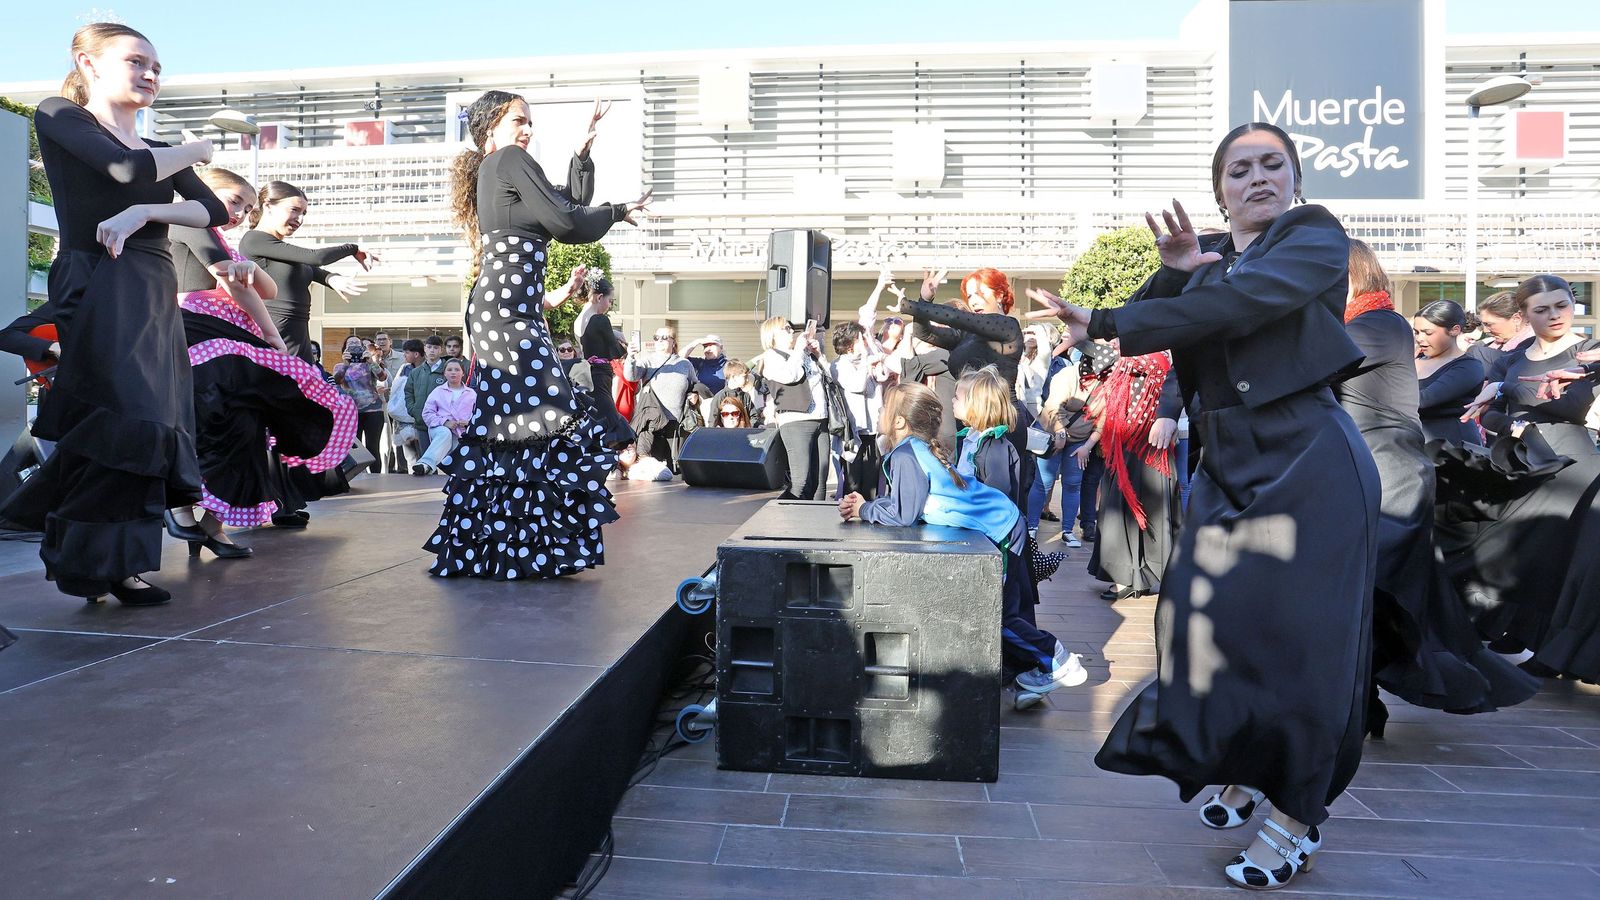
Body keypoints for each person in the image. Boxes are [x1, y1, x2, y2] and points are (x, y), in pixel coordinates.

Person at [1031, 122, 1379, 891]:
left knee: (1309, 651)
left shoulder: (1312, 236)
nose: (1257, 178)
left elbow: (1241, 305)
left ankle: (1298, 815)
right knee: (1198, 621)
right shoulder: (1213, 260)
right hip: (1230, 465)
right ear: (1220, 188)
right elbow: (1194, 312)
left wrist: (1118, 318)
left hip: (1309, 460)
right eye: (1239, 169)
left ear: (1294, 180)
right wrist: (1177, 270)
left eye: (1272, 165)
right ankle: (1250, 760)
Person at [0, 24, 229, 605]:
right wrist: (199, 150)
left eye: (157, 65)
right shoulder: (60, 114)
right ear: (89, 63)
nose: (151, 73)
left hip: (152, 285)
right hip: (98, 281)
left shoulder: (154, 148)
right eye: (137, 61)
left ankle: (116, 565)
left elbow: (213, 209)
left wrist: (143, 215)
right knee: (119, 420)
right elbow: (124, 169)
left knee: (152, 426)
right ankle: (80, 555)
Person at [426, 91, 646, 579]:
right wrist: (616, 211)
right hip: (506, 313)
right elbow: (567, 221)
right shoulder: (506, 159)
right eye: (518, 121)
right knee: (536, 416)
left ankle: (510, 550)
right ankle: (516, 550)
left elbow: (566, 204)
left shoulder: (503, 168)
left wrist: (582, 155)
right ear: (490, 129)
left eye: (529, 123)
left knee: (521, 423)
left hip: (510, 311)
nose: (528, 130)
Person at [1336, 241, 1535, 735]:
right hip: (1377, 473)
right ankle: (1360, 706)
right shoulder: (1367, 324)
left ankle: (1360, 705)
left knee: (1373, 598)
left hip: (1392, 478)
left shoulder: (1375, 325)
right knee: (1369, 599)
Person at [840, 382, 1086, 711]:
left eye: (886, 408)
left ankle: (1056, 658)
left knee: (995, 615)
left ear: (899, 421)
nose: (881, 413)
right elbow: (910, 503)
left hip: (999, 530)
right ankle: (1041, 666)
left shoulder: (906, 454)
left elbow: (903, 513)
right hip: (1001, 523)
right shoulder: (915, 449)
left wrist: (864, 510)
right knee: (1001, 612)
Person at [167, 167, 359, 557]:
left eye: (246, 206)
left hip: (229, 338)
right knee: (206, 422)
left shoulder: (227, 241)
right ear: (203, 191)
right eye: (233, 200)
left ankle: (212, 525)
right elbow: (233, 283)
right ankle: (180, 505)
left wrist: (250, 273)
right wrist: (271, 336)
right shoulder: (191, 218)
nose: (238, 212)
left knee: (249, 426)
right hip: (194, 334)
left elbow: (262, 288)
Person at [1456, 275, 1600, 679]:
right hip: (1523, 461)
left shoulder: (1587, 352)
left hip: (1573, 466)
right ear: (1524, 315)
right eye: (1542, 309)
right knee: (1515, 551)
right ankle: (1516, 632)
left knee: (1557, 561)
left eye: (1561, 305)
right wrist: (1512, 415)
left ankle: (1550, 650)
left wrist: (1507, 392)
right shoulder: (1513, 359)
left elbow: (1571, 406)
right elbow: (1489, 414)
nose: (1554, 315)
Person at [1083, 346, 1184, 602]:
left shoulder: (1151, 360)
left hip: (1142, 449)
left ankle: (1132, 577)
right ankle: (1141, 576)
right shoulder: (1144, 360)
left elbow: (1106, 358)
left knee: (1130, 512)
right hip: (1134, 449)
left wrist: (1083, 334)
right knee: (1134, 512)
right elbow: (1097, 365)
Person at [240, 181, 372, 364]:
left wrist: (331, 278)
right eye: (294, 210)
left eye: (303, 213)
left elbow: (309, 267)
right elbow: (315, 257)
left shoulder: (280, 249)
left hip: (298, 333)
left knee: (305, 387)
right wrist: (352, 248)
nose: (299, 219)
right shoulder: (254, 239)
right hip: (274, 331)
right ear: (269, 206)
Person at [753, 316, 830, 500]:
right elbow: (790, 375)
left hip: (820, 418)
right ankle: (781, 519)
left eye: (790, 328)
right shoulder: (771, 356)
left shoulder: (802, 354)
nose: (791, 332)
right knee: (801, 480)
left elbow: (830, 377)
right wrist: (798, 350)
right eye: (786, 329)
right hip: (795, 421)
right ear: (772, 335)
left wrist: (818, 355)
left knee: (819, 479)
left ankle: (816, 524)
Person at [625, 326, 707, 472]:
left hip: (676, 423)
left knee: (675, 467)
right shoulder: (647, 361)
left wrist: (695, 395)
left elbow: (695, 385)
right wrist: (630, 357)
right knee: (651, 466)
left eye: (664, 337)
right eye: (657, 337)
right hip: (652, 423)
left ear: (673, 342)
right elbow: (631, 376)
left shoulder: (684, 363)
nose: (660, 341)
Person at [831, 321, 891, 500]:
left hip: (874, 430)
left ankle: (870, 515)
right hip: (853, 434)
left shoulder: (867, 359)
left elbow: (883, 376)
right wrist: (866, 361)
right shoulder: (838, 365)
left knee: (872, 483)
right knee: (854, 483)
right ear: (849, 345)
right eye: (860, 339)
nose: (864, 343)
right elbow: (856, 385)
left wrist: (874, 356)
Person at [1413, 300, 1486, 444]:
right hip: (1413, 446)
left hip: (1453, 449)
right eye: (1416, 332)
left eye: (1428, 333)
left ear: (1455, 330)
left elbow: (1424, 400)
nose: (1420, 338)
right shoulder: (1412, 360)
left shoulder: (1469, 367)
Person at [573, 271, 633, 445]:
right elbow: (614, 352)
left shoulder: (579, 320)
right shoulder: (601, 320)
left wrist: (613, 333)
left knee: (597, 425)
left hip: (588, 377)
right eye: (610, 300)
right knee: (613, 427)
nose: (609, 304)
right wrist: (626, 345)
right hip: (600, 378)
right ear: (599, 297)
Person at [332, 335, 388, 473]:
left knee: (372, 446)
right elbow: (336, 381)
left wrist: (370, 361)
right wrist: (346, 364)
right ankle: (356, 476)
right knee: (354, 448)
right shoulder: (339, 366)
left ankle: (376, 477)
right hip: (351, 412)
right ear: (345, 348)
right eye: (350, 344)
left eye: (357, 344)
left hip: (373, 411)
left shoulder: (370, 364)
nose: (354, 346)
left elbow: (382, 377)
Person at [417, 359, 476, 474]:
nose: (453, 372)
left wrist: (469, 422)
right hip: (440, 429)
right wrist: (444, 422)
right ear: (444, 373)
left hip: (462, 433)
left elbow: (478, 415)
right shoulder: (437, 391)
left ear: (463, 373)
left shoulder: (472, 393)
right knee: (445, 432)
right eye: (449, 370)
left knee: (455, 467)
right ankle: (425, 463)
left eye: (457, 370)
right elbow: (427, 413)